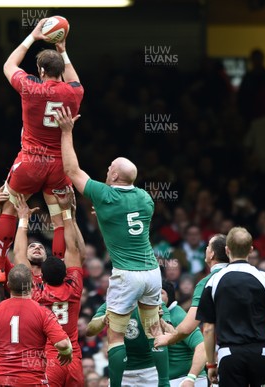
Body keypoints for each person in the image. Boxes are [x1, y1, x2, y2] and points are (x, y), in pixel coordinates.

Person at [56, 106, 162, 387]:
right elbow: (125, 217)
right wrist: (104, 213)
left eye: (110, 168)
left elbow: (71, 170)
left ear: (115, 177)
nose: (106, 170)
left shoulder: (104, 195)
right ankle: (164, 384)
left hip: (126, 274)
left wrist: (67, 131)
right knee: (154, 330)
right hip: (152, 272)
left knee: (115, 337)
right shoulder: (145, 198)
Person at [0, 16, 84, 287]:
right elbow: (75, 81)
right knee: (62, 216)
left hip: (30, 162)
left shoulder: (30, 87)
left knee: (8, 203)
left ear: (40, 70)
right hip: (58, 165)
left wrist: (33, 37)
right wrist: (62, 49)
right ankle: (59, 273)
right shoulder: (74, 93)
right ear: (60, 70)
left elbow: (8, 65)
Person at [196, 227, 265, 386]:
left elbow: (209, 328)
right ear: (251, 250)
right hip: (262, 357)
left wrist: (211, 364)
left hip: (229, 357)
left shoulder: (212, 282)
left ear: (227, 249)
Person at [12, 189, 85, 386]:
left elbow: (18, 253)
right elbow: (74, 250)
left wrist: (23, 219)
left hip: (46, 357)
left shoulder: (33, 288)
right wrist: (67, 212)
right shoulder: (74, 286)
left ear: (42, 273)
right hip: (73, 357)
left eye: (41, 248)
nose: (36, 248)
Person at [0, 264, 73, 386]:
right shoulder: (43, 313)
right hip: (31, 381)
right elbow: (63, 344)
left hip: (0, 381)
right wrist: (66, 352)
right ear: (32, 285)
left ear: (8, 285)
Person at [155, 234, 228, 348]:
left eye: (208, 246)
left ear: (212, 254)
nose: (206, 249)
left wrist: (169, 339)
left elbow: (188, 327)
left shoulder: (207, 282)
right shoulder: (252, 276)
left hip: (228, 350)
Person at [87, 301, 170, 387]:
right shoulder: (111, 305)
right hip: (122, 373)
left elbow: (169, 330)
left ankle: (164, 383)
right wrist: (103, 319)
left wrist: (161, 321)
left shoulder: (154, 303)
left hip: (151, 371)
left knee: (157, 332)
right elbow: (89, 331)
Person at [0, 186, 45, 289]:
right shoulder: (13, 273)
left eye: (41, 247)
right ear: (25, 253)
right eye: (32, 246)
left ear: (47, 257)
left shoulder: (55, 275)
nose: (37, 247)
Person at [159, 281, 207, 387]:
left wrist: (191, 378)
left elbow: (202, 347)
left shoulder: (178, 316)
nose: (156, 296)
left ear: (170, 296)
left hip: (184, 380)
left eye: (161, 293)